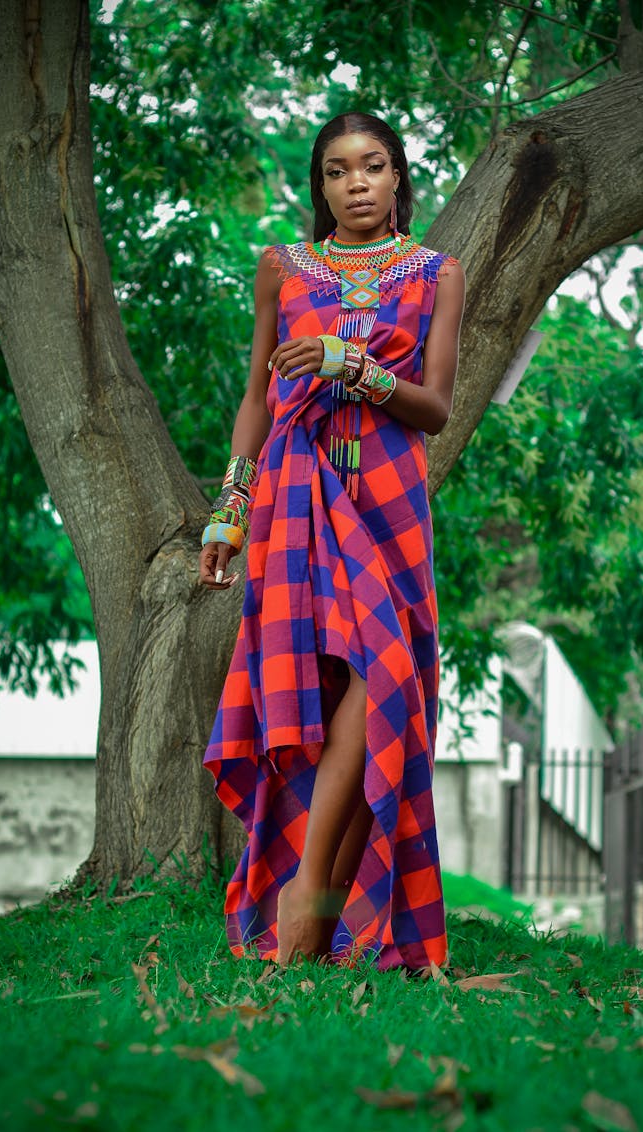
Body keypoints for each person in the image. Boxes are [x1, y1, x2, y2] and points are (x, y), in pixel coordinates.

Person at [199, 111, 465, 970]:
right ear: (320, 185)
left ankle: (311, 901)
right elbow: (253, 398)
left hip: (389, 498)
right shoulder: (283, 268)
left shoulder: (436, 272)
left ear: (397, 179)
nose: (356, 183)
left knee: (386, 680)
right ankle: (311, 902)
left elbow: (435, 408)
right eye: (339, 170)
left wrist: (352, 366)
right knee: (321, 687)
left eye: (374, 166)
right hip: (296, 493)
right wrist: (229, 510)